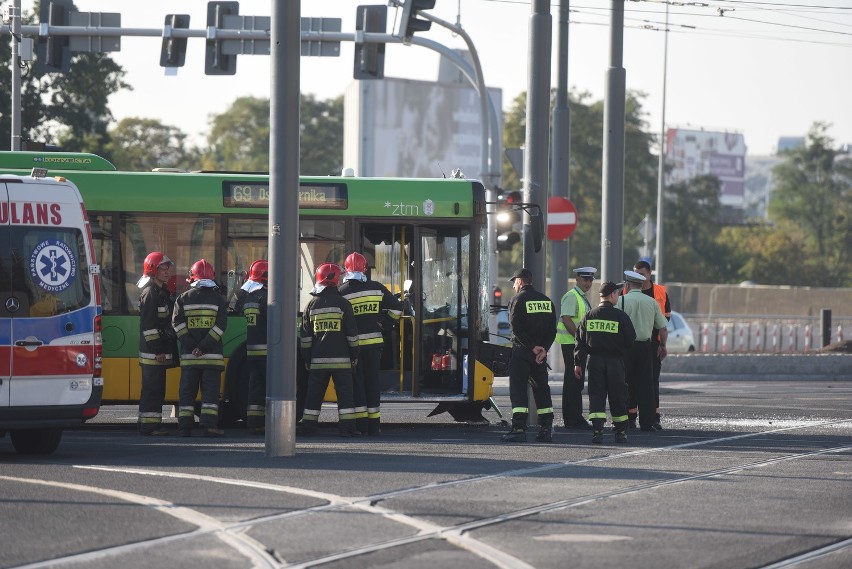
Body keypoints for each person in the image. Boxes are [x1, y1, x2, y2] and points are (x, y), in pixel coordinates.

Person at [338, 252, 403, 436]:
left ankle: (362, 426)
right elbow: (397, 308)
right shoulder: (376, 287)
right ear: (365, 268)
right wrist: (385, 324)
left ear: (346, 270)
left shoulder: (342, 292)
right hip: (374, 345)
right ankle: (374, 427)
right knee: (373, 384)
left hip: (354, 348)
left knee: (357, 385)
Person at [299, 263, 360, 437]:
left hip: (317, 362)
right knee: (345, 396)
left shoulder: (311, 305)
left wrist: (307, 359)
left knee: (314, 395)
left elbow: (305, 339)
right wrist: (354, 355)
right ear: (335, 280)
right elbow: (352, 335)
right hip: (342, 361)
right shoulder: (343, 304)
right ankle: (347, 429)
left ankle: (308, 428)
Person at [574, 281, 637, 444]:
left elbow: (579, 341)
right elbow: (630, 340)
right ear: (612, 295)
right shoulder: (621, 316)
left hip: (595, 362)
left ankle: (597, 431)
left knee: (596, 396)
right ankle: (621, 432)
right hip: (615, 362)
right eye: (617, 293)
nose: (618, 295)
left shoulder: (589, 315)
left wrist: (578, 363)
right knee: (618, 395)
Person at [502, 267, 558, 443]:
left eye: (514, 282)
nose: (513, 286)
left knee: (518, 389)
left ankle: (518, 429)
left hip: (523, 352)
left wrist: (532, 347)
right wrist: (544, 349)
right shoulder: (547, 301)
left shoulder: (517, 300)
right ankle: (546, 429)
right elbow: (552, 330)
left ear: (520, 281)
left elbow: (516, 328)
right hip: (540, 355)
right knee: (542, 389)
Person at [173, 259, 228, 438]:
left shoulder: (182, 299)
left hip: (190, 358)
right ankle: (209, 427)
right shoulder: (218, 299)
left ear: (192, 277)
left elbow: (177, 325)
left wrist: (193, 347)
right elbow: (220, 327)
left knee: (187, 393)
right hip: (212, 358)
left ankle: (184, 428)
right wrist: (204, 347)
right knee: (210, 396)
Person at [618, 270, 668, 432]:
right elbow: (663, 328)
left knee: (625, 383)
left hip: (626, 348)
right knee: (646, 385)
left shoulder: (621, 301)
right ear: (641, 285)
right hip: (646, 347)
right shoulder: (652, 302)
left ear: (627, 285)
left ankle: (625, 420)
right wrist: (662, 346)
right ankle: (647, 423)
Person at [136, 252, 176, 436]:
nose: (167, 271)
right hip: (153, 354)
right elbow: (149, 326)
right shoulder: (150, 292)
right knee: (153, 391)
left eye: (168, 268)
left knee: (156, 390)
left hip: (156, 353)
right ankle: (150, 426)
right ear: (153, 269)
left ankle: (150, 424)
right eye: (162, 267)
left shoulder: (160, 291)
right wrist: (158, 350)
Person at [555, 266, 596, 430]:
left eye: (591, 280)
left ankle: (574, 417)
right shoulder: (572, 296)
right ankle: (573, 419)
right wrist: (580, 340)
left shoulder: (581, 297)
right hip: (572, 344)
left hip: (577, 344)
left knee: (574, 382)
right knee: (573, 381)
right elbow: (566, 319)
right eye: (585, 279)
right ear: (577, 279)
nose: (588, 283)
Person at [230, 260, 269, 435]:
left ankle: (254, 422)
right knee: (271, 387)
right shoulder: (266, 297)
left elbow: (235, 305)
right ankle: (275, 423)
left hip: (252, 350)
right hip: (268, 351)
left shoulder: (249, 298)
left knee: (255, 386)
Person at [633, 259, 671, 430]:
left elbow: (667, 316)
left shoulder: (660, 291)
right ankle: (630, 416)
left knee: (652, 382)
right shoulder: (628, 290)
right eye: (636, 274)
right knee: (631, 381)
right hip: (634, 343)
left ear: (649, 274)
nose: (639, 277)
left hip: (653, 343)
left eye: (642, 274)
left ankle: (654, 417)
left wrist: (661, 342)